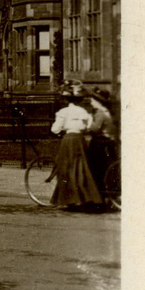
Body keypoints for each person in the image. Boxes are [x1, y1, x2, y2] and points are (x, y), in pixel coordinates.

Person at [50, 81, 103, 209]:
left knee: (66, 167)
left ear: (67, 99)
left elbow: (55, 129)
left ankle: (69, 199)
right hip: (80, 140)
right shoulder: (84, 112)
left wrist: (61, 129)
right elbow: (89, 127)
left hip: (68, 139)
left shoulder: (63, 112)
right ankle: (84, 197)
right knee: (81, 166)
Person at [85, 88, 118, 195]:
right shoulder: (106, 112)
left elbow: (94, 129)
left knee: (95, 169)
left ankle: (98, 195)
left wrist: (89, 121)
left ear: (98, 101)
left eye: (93, 99)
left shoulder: (100, 113)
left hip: (99, 144)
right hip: (108, 143)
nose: (91, 101)